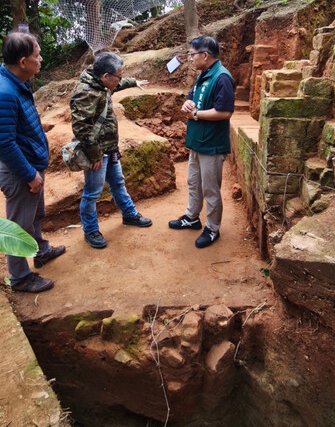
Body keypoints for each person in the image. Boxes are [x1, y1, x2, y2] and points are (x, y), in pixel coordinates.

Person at [0, 32, 66, 293]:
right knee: (18, 227)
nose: (41, 59)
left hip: (29, 164)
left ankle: (41, 250)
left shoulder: (17, 82)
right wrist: (29, 175)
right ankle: (19, 278)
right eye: (37, 55)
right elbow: (4, 143)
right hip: (20, 171)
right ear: (23, 60)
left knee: (35, 215)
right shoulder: (5, 93)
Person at [70, 52, 152, 249]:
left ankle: (129, 215)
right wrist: (95, 155)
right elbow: (81, 128)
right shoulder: (86, 93)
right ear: (106, 76)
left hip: (109, 147)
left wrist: (133, 82)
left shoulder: (102, 84)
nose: (120, 80)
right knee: (92, 192)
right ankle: (90, 231)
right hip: (97, 153)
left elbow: (117, 84)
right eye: (119, 76)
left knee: (117, 183)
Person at [169, 36, 235, 248]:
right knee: (194, 183)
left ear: (204, 55)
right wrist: (188, 104)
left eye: (192, 54)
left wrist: (195, 115)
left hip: (211, 145)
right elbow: (193, 99)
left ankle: (213, 228)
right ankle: (192, 217)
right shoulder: (204, 75)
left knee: (210, 189)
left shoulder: (222, 78)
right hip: (197, 142)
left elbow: (224, 112)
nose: (190, 59)